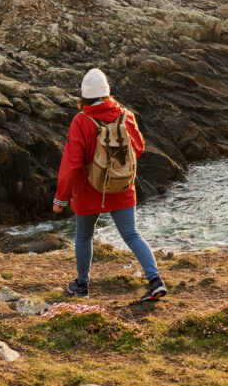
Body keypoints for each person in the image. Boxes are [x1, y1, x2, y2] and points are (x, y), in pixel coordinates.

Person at [53, 68, 167, 302]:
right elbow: (139, 148)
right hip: (122, 187)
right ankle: (155, 280)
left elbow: (72, 164)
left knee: (84, 236)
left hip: (88, 190)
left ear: (84, 95)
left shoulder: (81, 121)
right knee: (132, 234)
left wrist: (60, 198)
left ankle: (82, 284)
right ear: (107, 92)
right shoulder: (126, 115)